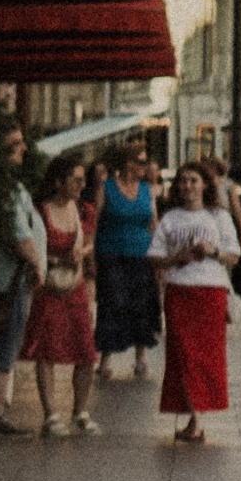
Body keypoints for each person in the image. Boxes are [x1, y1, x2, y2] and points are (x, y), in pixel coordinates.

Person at [149, 159, 240, 444]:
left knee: (205, 357)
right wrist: (178, 257)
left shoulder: (219, 217)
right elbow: (153, 255)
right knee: (183, 354)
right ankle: (195, 418)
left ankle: (196, 418)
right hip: (179, 290)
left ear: (204, 185)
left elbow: (234, 255)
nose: (188, 186)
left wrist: (212, 251)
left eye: (193, 180)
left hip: (210, 291)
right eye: (183, 181)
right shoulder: (171, 218)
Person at [0, 116, 46, 439]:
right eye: (14, 144)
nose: (23, 149)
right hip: (9, 279)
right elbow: (18, 234)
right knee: (3, 344)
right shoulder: (2, 187)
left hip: (6, 277)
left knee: (3, 342)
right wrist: (34, 262)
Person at [23, 152, 100, 435]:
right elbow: (33, 249)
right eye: (76, 180)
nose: (81, 185)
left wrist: (81, 257)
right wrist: (58, 260)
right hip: (49, 288)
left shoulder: (84, 210)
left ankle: (80, 410)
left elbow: (90, 245)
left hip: (76, 285)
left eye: (83, 180)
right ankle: (50, 414)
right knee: (46, 349)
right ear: (58, 182)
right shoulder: (40, 211)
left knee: (86, 350)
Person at [91, 140, 160, 378]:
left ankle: (140, 356)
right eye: (141, 162)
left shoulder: (147, 190)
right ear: (128, 163)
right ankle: (106, 358)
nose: (146, 166)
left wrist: (159, 255)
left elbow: (153, 223)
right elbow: (95, 223)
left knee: (141, 304)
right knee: (112, 303)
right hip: (111, 254)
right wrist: (90, 255)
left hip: (141, 255)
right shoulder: (106, 188)